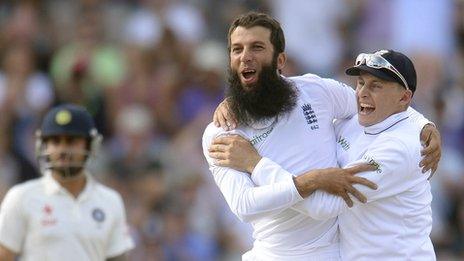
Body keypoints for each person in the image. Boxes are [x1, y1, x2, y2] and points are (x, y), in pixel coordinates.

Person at [202, 12, 441, 260]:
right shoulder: (222, 132)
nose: (245, 57)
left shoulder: (315, 91)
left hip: (335, 253)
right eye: (237, 49)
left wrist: (423, 124)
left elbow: (382, 106)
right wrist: (309, 180)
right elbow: (245, 205)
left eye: (257, 47)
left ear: (280, 59)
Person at [0, 104, 134, 261]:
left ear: (90, 145)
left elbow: (118, 257)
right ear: (43, 146)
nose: (63, 149)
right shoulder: (22, 197)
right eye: (55, 142)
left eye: (71, 141)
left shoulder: (110, 200)